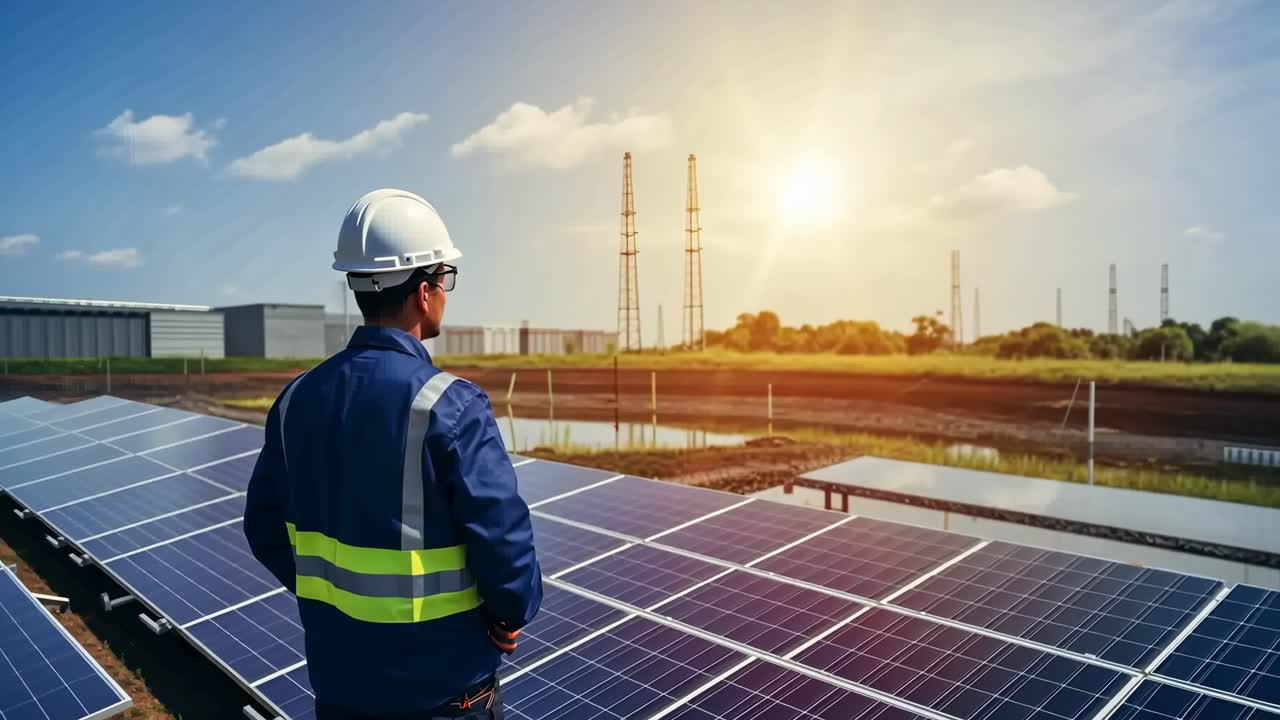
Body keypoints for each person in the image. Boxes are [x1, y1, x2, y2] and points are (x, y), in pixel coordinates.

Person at [244, 188, 542, 719]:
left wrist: (334, 607)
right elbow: (504, 547)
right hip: (442, 694)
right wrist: (509, 614)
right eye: (445, 278)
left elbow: (264, 530)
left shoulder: (294, 401)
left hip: (341, 691)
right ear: (425, 292)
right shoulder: (450, 405)